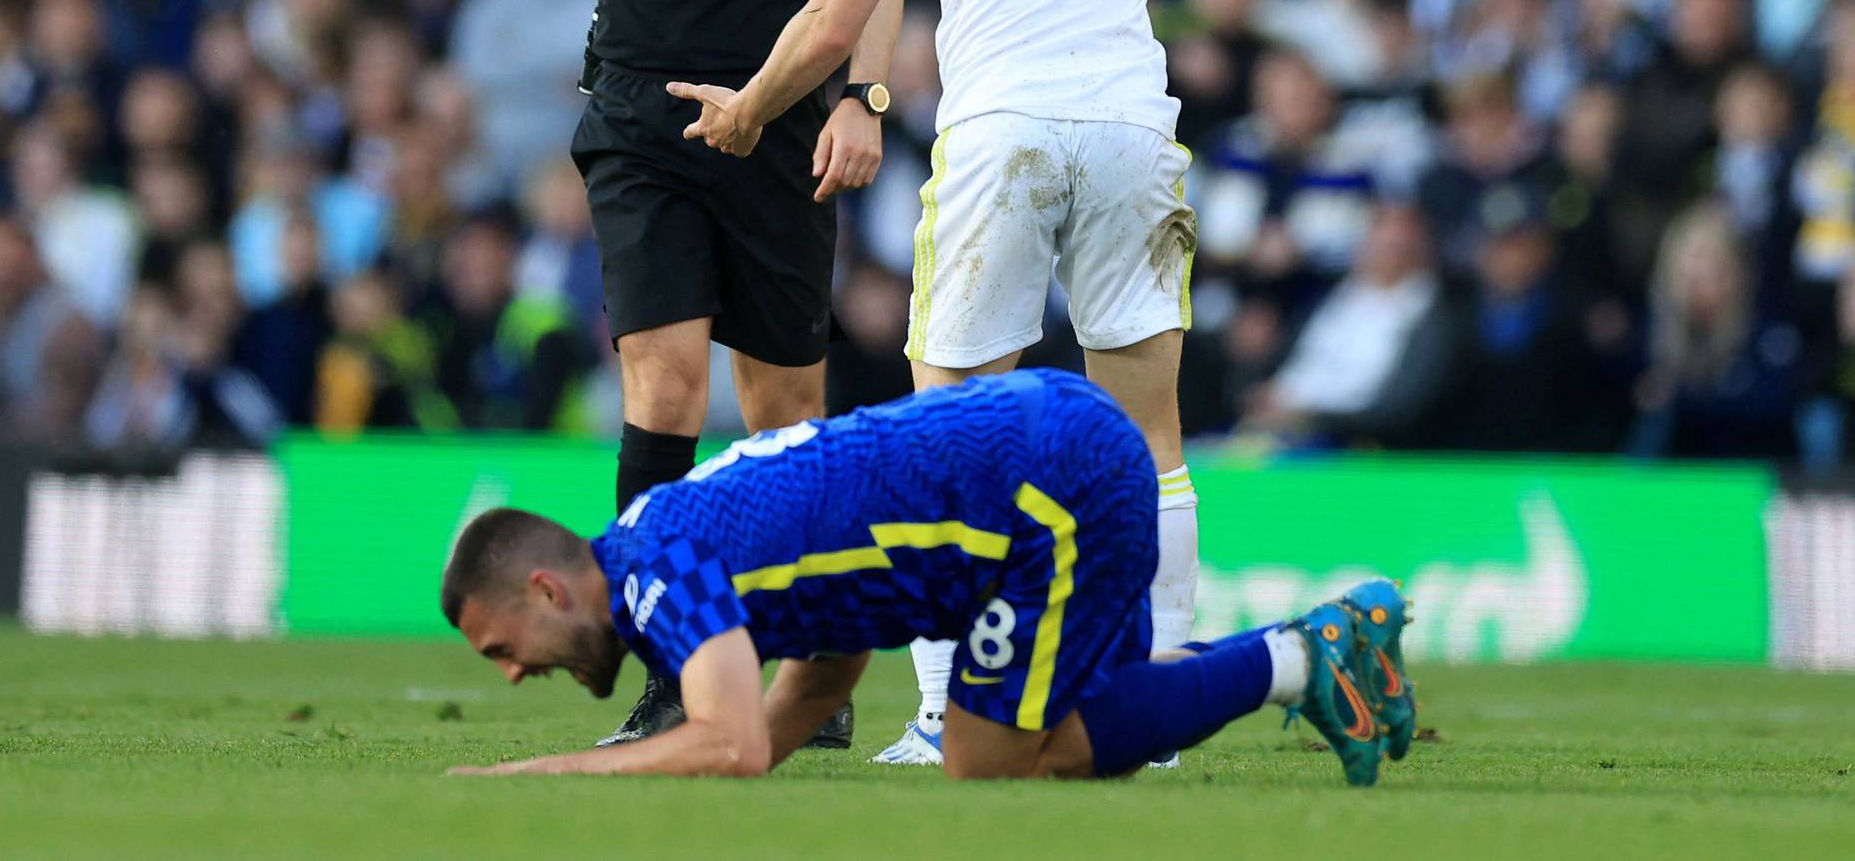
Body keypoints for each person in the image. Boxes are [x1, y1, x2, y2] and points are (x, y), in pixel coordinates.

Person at [666, 0, 1274, 763]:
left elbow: (837, 20)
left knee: (946, 429)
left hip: (1001, 137)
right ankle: (1160, 704)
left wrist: (751, 106)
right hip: (1133, 131)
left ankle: (948, 706)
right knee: (1152, 432)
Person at [530, 0, 901, 747]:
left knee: (786, 407)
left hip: (785, 120)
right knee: (665, 384)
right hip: (641, 117)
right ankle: (671, 658)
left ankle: (804, 669)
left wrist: (865, 98)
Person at [441, 368, 1415, 785]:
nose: (513, 673)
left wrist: (557, 772)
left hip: (1050, 485)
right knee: (1081, 712)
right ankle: (1321, 653)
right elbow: (824, 670)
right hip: (1040, 448)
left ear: (546, 591)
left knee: (991, 758)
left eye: (500, 650)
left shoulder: (654, 576)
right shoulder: (657, 540)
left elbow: (728, 739)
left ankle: (1306, 656)